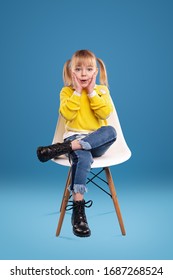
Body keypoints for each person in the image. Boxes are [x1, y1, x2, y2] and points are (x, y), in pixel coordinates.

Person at [37, 50, 117, 238]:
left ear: (95, 72)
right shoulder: (66, 92)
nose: (83, 74)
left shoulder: (102, 91)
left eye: (88, 69)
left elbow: (105, 114)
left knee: (110, 131)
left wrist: (90, 93)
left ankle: (63, 149)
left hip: (97, 140)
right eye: (78, 69)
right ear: (71, 71)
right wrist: (78, 92)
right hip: (74, 138)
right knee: (83, 157)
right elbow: (67, 114)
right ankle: (78, 213)